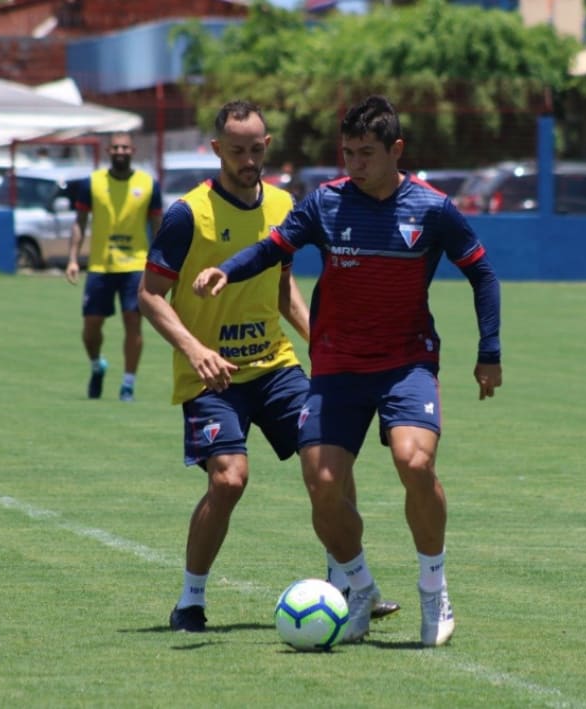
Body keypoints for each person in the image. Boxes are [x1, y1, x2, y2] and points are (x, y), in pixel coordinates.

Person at [193, 95, 503, 647]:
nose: (354, 164)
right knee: (324, 484)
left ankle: (434, 587)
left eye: (366, 153)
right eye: (348, 152)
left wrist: (490, 353)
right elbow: (271, 249)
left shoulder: (432, 209)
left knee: (415, 461)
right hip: (336, 366)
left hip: (406, 362)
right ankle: (359, 586)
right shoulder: (325, 204)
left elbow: (483, 275)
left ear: (396, 150)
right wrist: (227, 270)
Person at [136, 100, 399, 633]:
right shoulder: (188, 215)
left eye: (257, 148)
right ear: (216, 151)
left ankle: (346, 583)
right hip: (213, 375)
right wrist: (195, 350)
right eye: (237, 150)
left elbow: (282, 288)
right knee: (230, 481)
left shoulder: (283, 204)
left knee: (330, 465)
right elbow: (150, 296)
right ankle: (190, 600)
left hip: (276, 365)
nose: (248, 158)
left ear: (268, 145)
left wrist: (317, 341)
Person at [66, 132, 163, 402]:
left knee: (133, 322)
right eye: (116, 147)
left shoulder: (148, 184)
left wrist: (161, 261)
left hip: (135, 265)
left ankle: (128, 384)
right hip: (100, 265)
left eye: (125, 147)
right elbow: (80, 221)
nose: (120, 151)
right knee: (91, 328)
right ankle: (97, 365)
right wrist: (73, 258)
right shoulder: (93, 183)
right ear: (109, 150)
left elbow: (158, 226)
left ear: (133, 150)